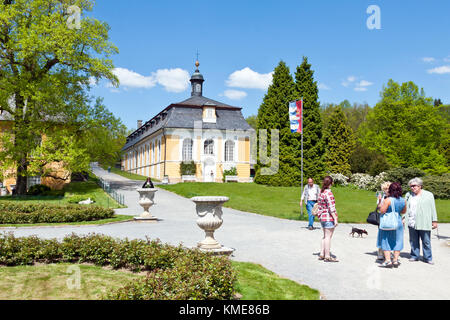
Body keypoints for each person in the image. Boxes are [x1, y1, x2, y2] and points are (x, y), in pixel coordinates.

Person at [405, 177, 438, 265]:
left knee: (426, 241)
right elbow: (406, 208)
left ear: (420, 186)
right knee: (413, 240)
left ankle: (428, 258)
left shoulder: (429, 195)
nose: (412, 188)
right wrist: (404, 218)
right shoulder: (408, 195)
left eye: (414, 186)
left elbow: (433, 208)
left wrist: (434, 220)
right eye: (411, 186)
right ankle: (415, 255)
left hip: (424, 221)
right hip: (412, 221)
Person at [378, 182, 406, 268]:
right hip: (398, 221)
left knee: (386, 240)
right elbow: (403, 211)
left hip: (388, 223)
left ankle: (388, 261)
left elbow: (382, 211)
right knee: (398, 240)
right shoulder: (403, 200)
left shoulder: (388, 200)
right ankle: (396, 260)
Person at [317, 176, 339, 262]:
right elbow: (331, 208)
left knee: (325, 236)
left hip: (322, 217)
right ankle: (327, 256)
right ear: (331, 183)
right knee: (328, 237)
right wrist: (335, 219)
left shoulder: (321, 192)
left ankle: (322, 254)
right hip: (328, 217)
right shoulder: (328, 193)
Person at [376, 181, 392, 261]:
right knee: (382, 236)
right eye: (385, 189)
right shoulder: (382, 197)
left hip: (391, 219)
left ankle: (389, 252)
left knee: (391, 236)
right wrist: (379, 201)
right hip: (383, 219)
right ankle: (380, 252)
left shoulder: (394, 197)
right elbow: (379, 208)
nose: (387, 190)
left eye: (388, 188)